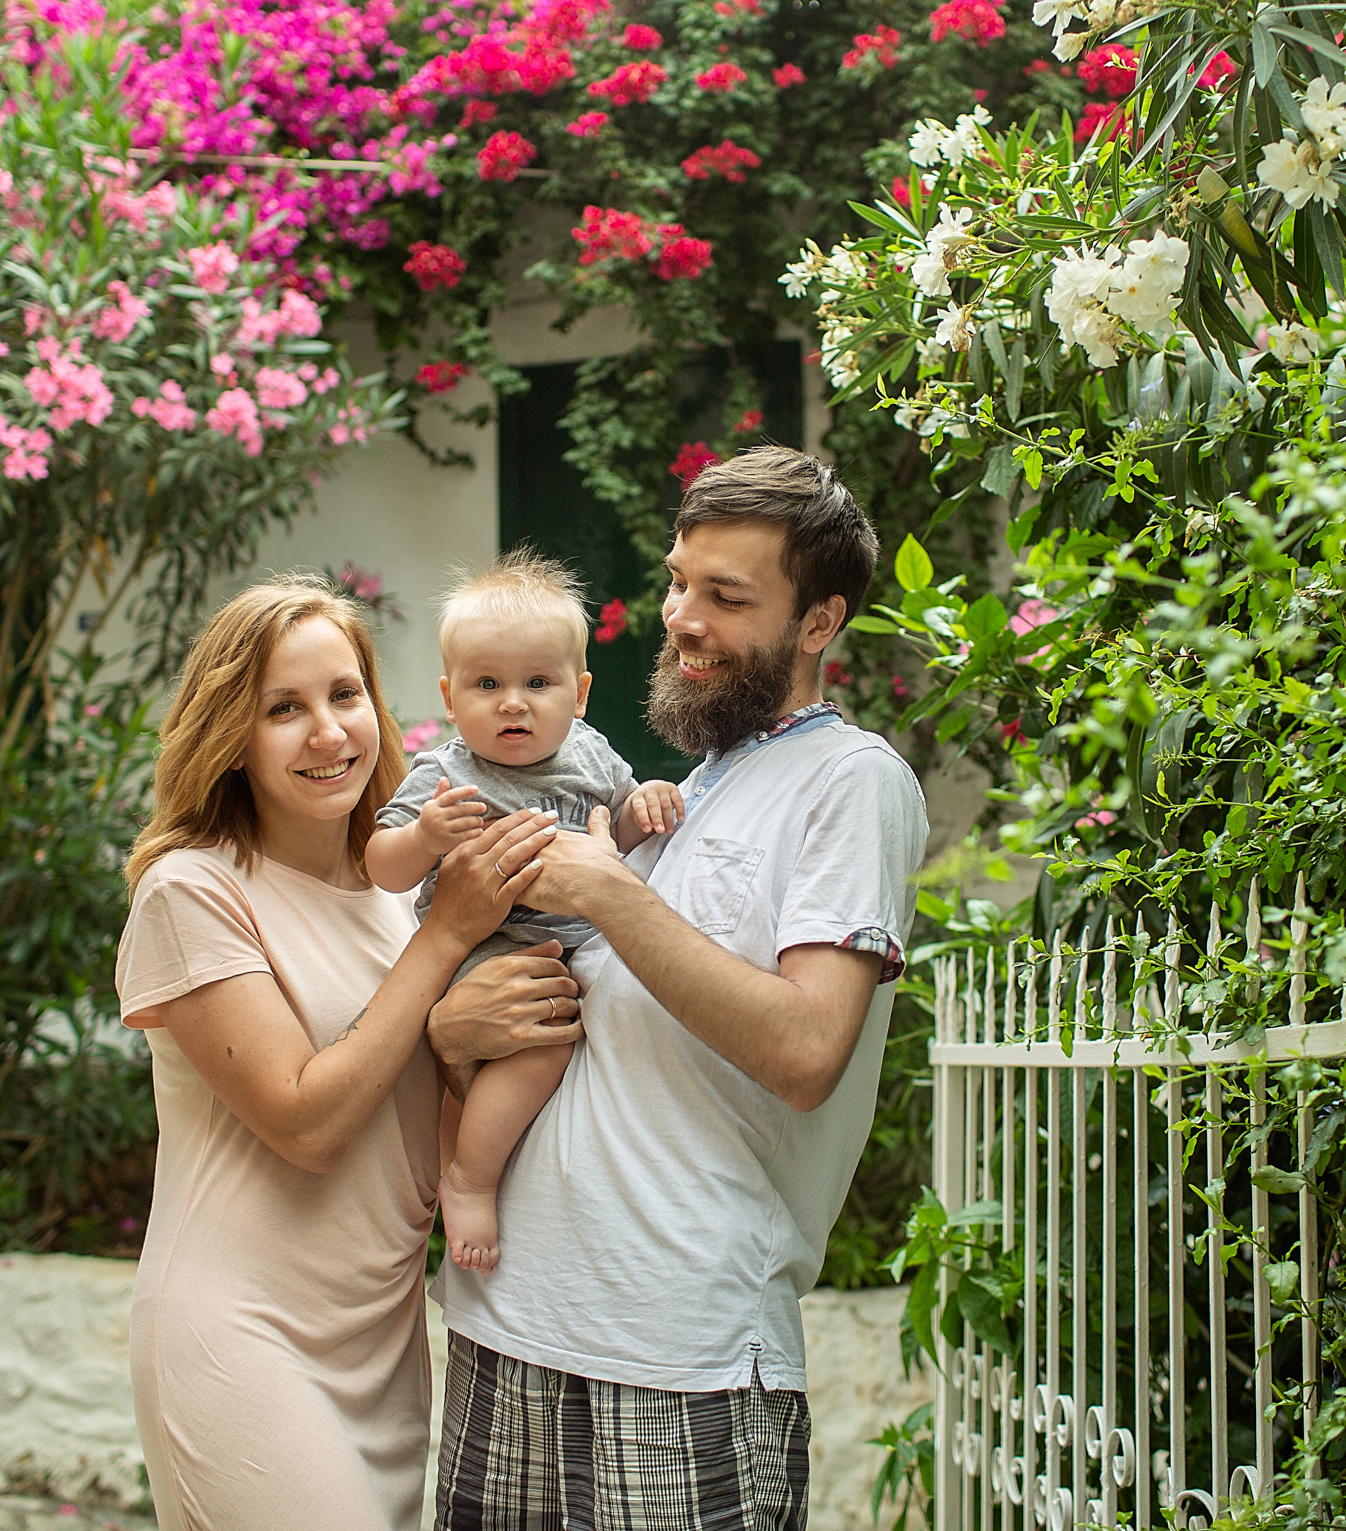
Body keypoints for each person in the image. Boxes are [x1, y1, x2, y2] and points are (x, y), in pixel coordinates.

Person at [430, 447, 928, 1531]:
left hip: (679, 1352)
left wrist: (612, 894)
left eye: (725, 595)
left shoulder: (853, 781)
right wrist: (453, 1023)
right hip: (505, 1321)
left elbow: (806, 1050)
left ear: (817, 621)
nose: (680, 617)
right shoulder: (680, 793)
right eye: (677, 581)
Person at [113, 577, 578, 1531]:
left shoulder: (399, 896)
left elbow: (429, 1123)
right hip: (242, 1333)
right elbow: (308, 1120)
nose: (328, 733)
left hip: (382, 1340)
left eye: (344, 694)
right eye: (283, 708)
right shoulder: (194, 890)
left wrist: (463, 1032)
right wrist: (445, 942)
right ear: (230, 735)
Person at [366, 550, 686, 1272]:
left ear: (579, 692)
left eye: (538, 682)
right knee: (542, 1042)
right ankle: (470, 1180)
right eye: (487, 683)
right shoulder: (444, 773)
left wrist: (647, 801)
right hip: (490, 945)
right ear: (450, 697)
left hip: (576, 943)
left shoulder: (592, 755)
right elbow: (380, 863)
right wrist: (424, 836)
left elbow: (623, 830)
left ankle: (485, 1155)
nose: (513, 701)